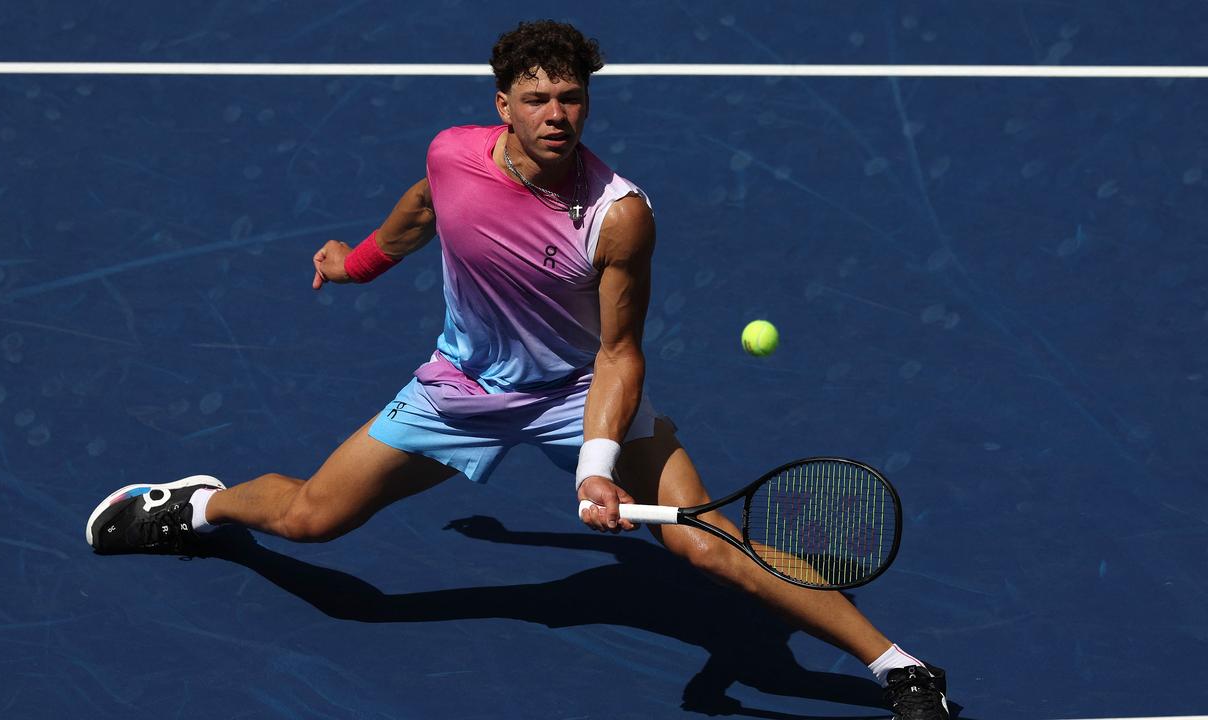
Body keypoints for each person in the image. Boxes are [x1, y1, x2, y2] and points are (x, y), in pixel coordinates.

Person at [85, 20, 951, 720]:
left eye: (571, 98)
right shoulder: (454, 154)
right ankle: (194, 505)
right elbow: (424, 211)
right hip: (459, 390)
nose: (556, 114)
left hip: (579, 394)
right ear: (503, 105)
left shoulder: (619, 218)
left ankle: (901, 669)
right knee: (313, 520)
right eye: (536, 98)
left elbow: (619, 354)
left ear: (587, 105)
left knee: (704, 544)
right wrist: (356, 265)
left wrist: (597, 464)